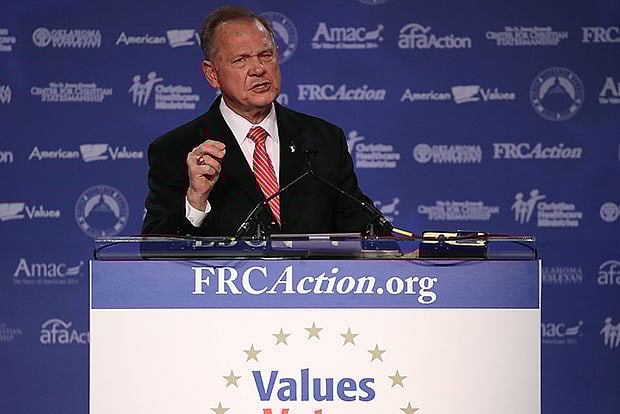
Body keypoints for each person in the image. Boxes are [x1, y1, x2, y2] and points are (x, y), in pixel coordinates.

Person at [142, 5, 382, 237]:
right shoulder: (175, 149)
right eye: (241, 59)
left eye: (266, 55)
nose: (258, 69)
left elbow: (363, 228)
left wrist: (393, 250)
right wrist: (195, 201)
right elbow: (156, 249)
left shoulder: (324, 139)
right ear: (212, 74)